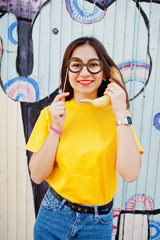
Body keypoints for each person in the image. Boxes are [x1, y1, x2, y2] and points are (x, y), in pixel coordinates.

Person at [26, 36, 143, 240]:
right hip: (53, 215)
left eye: (94, 65)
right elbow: (37, 175)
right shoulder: (51, 113)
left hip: (97, 225)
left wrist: (121, 112)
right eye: (76, 65)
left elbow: (131, 173)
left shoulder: (118, 116)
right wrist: (56, 129)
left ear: (106, 71)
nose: (85, 72)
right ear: (67, 72)